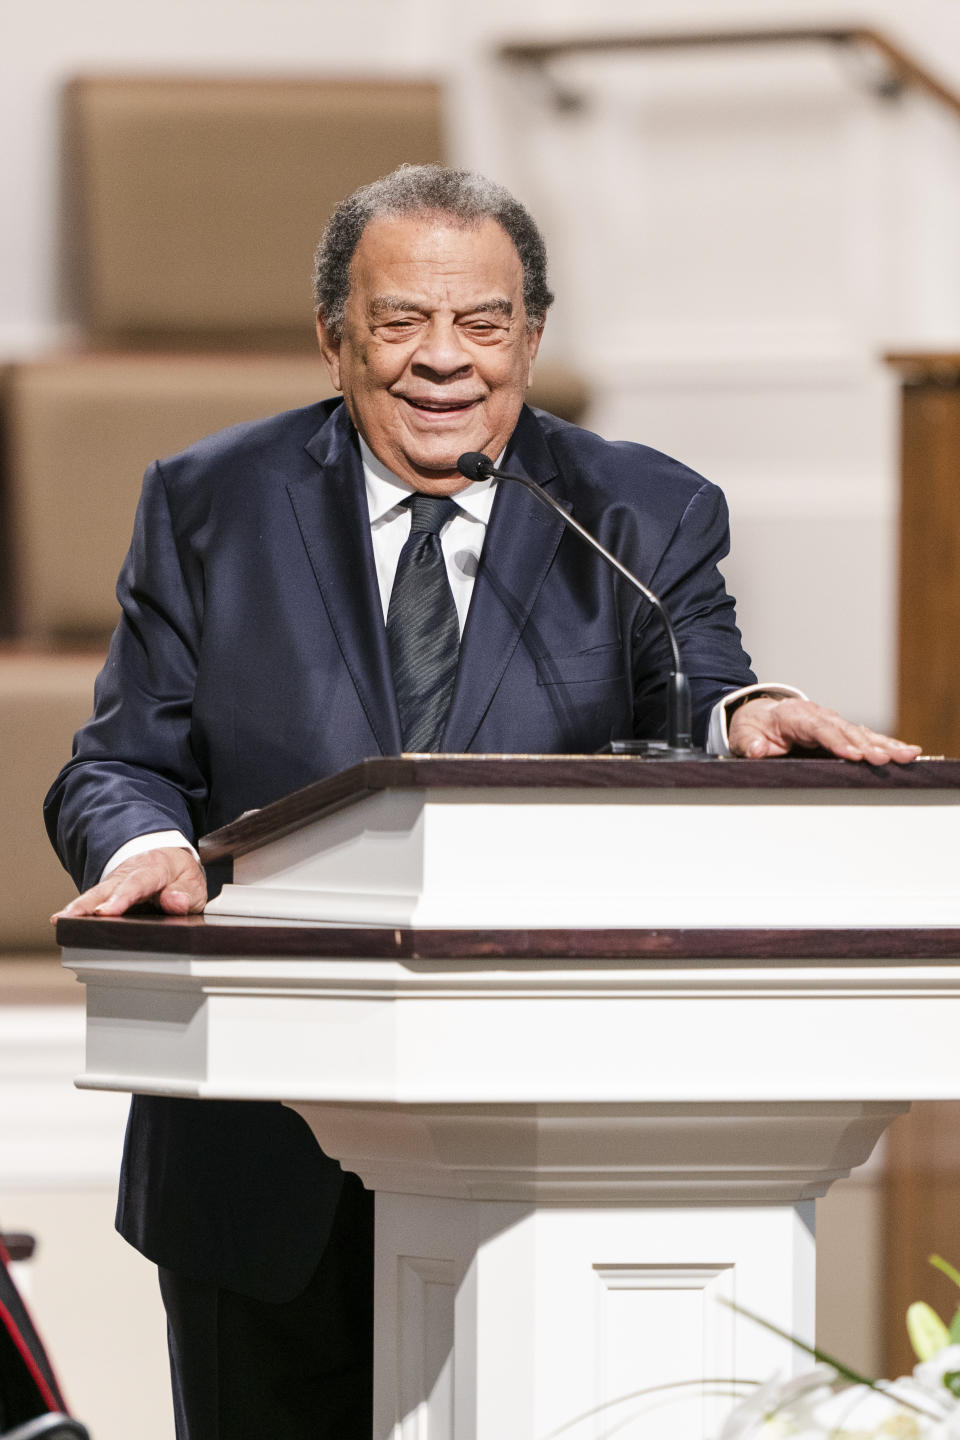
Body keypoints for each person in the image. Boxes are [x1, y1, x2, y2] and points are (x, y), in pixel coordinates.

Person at [45, 164, 920, 1439]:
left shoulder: (641, 508)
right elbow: (119, 762)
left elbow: (701, 690)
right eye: (400, 322)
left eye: (485, 323)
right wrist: (152, 843)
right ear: (334, 336)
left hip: (555, 1151)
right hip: (262, 1153)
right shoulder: (209, 503)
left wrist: (746, 723)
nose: (444, 361)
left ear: (534, 336)